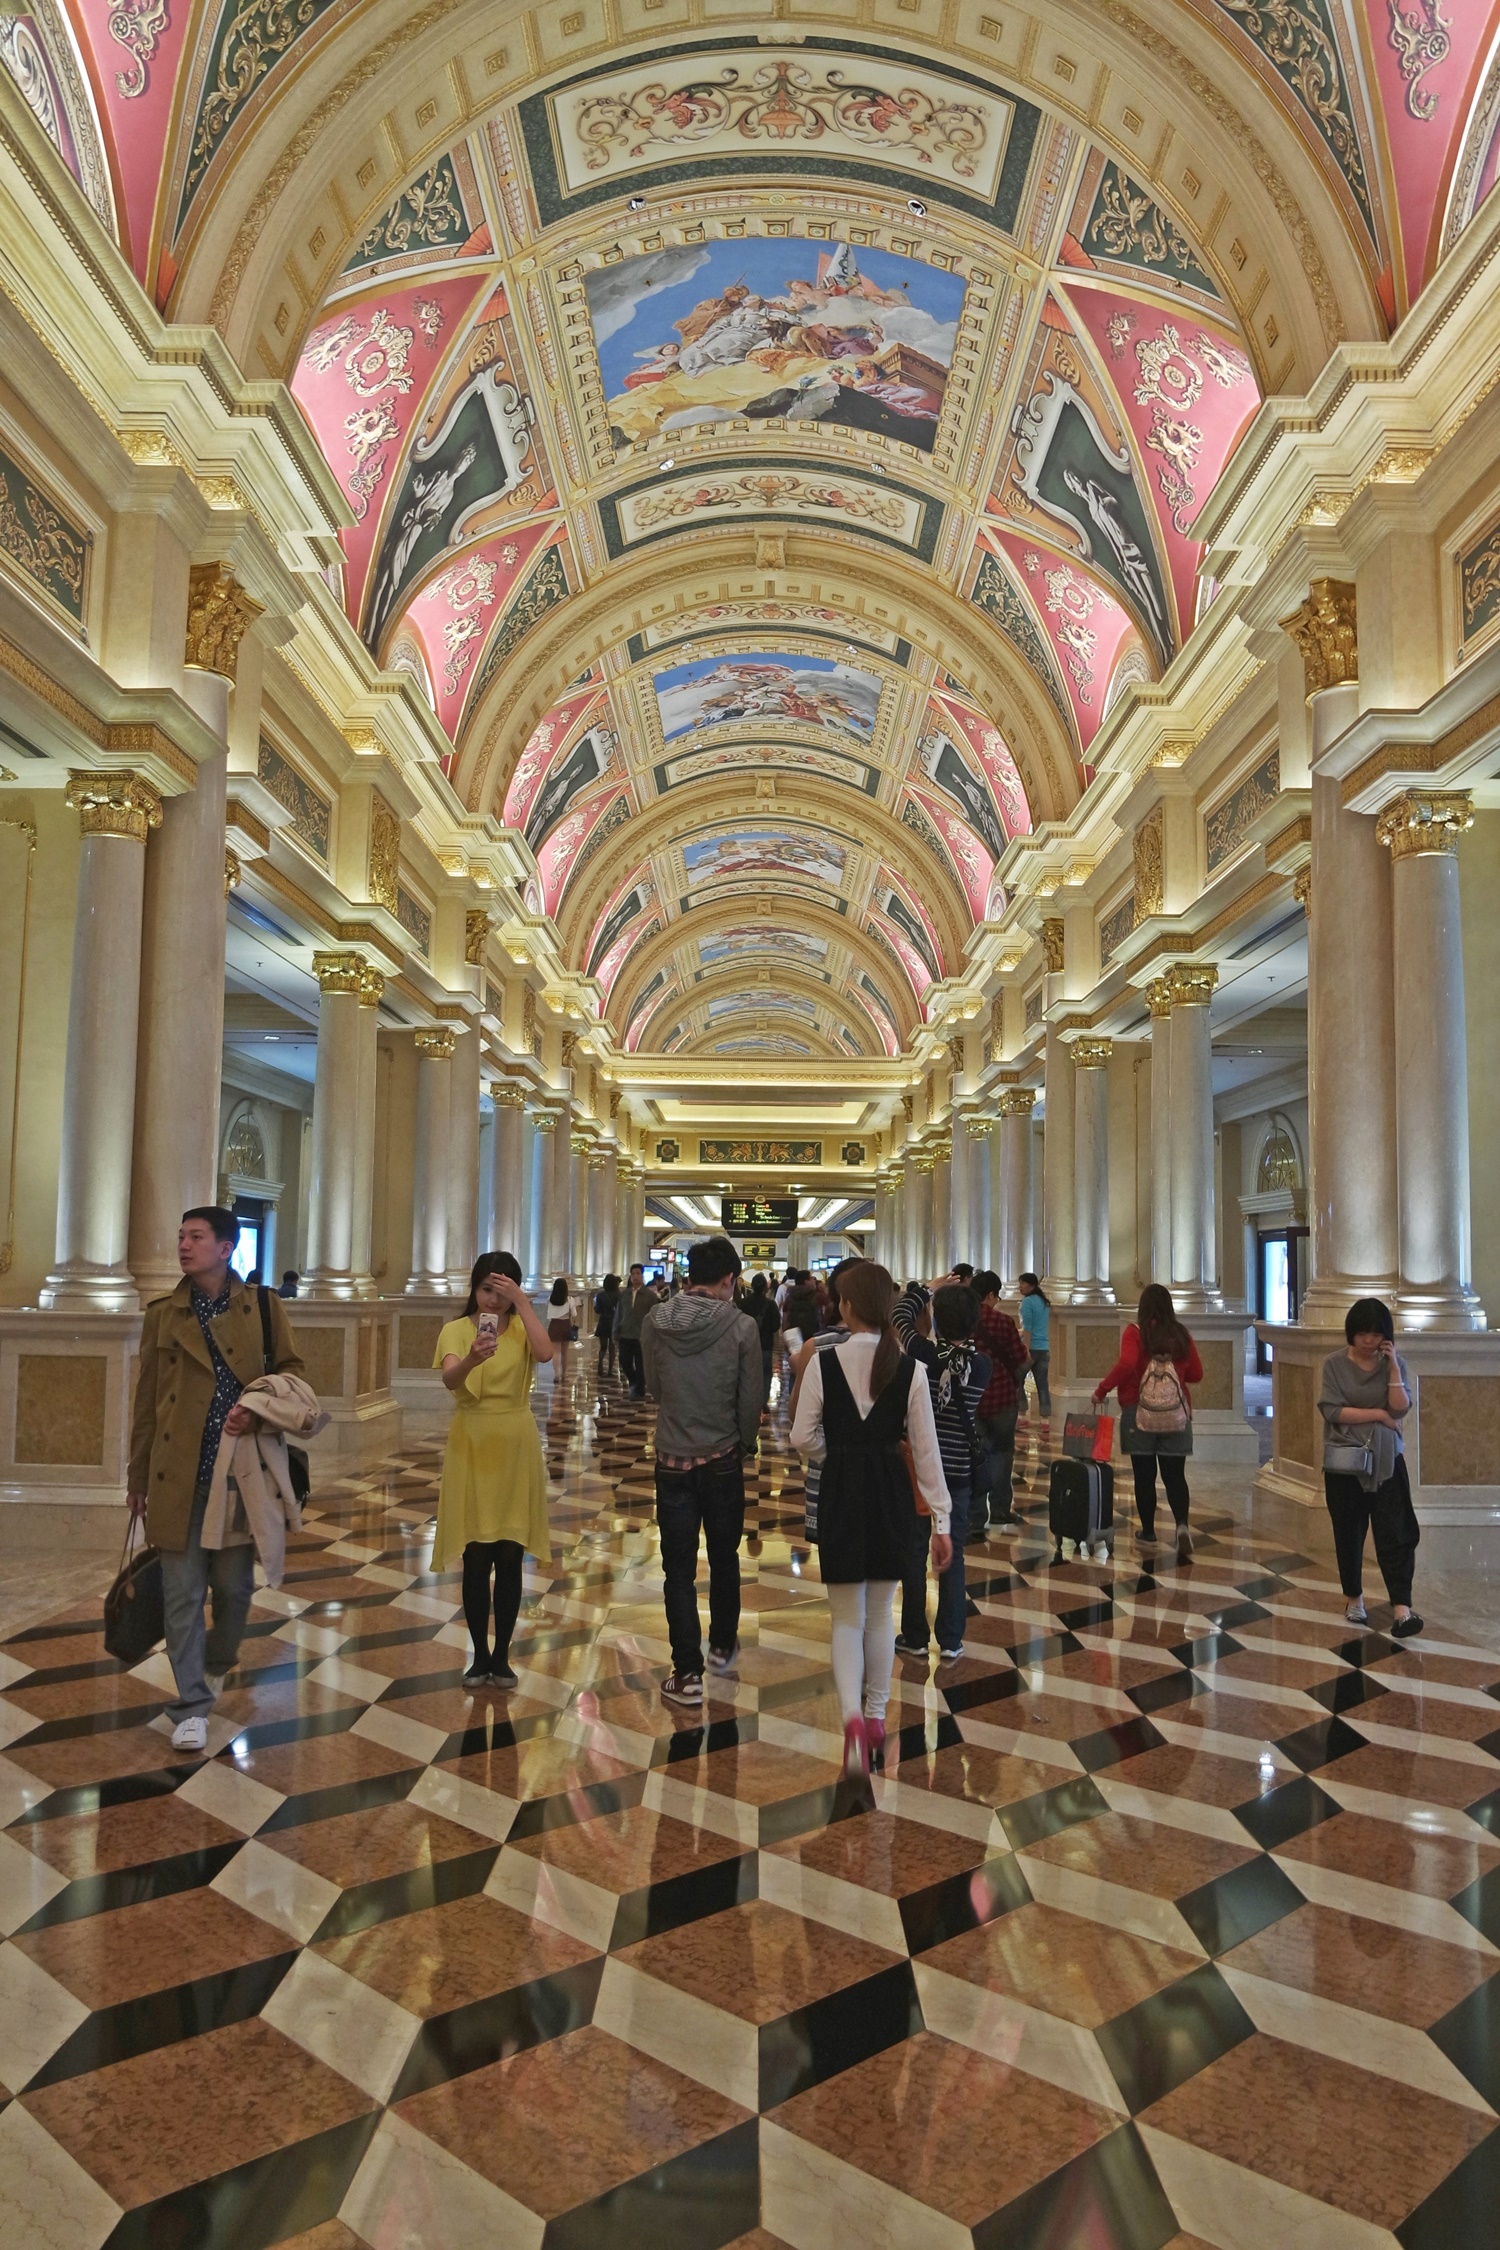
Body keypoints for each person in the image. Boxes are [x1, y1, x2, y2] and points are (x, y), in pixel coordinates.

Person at [127, 1206, 305, 1752]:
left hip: (238, 1472)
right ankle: (191, 1702)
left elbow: (293, 1374)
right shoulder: (163, 1314)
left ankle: (218, 1661)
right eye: (181, 1235)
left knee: (233, 1587)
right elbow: (147, 1404)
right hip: (177, 1471)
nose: (184, 1245)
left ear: (226, 1248)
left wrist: (255, 1410)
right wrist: (138, 1478)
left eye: (196, 1237)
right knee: (181, 1594)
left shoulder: (264, 1309)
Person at [791, 1261, 951, 1774]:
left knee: (845, 1617)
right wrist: (942, 1523)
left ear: (848, 1306)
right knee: (881, 1613)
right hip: (890, 1493)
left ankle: (852, 1719)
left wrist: (831, 1454)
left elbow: (801, 1437)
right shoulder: (911, 1369)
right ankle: (878, 1715)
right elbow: (927, 1454)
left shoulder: (823, 1362)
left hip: (841, 1487)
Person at [642, 1235, 763, 1706]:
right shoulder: (742, 1326)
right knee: (725, 1556)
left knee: (677, 1569)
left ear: (689, 1275)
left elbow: (653, 1384)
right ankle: (721, 1648)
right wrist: (744, 1441)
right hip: (721, 1459)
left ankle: (686, 1673)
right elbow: (750, 1397)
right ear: (730, 1279)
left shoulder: (656, 1320)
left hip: (671, 1457)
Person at [435, 1252, 556, 1687]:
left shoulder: (524, 1327)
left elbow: (545, 1356)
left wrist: (522, 1304)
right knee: (475, 1554)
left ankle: (502, 1654)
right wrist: (471, 1359)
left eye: (501, 1291)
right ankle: (479, 1655)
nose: (492, 1300)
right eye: (487, 1289)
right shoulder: (456, 1329)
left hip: (515, 1442)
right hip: (471, 1440)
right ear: (474, 1288)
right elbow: (451, 1380)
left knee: (509, 1552)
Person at [893, 1279, 990, 1659]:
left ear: (935, 1318)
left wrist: (924, 1290)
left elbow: (900, 1316)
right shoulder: (981, 1366)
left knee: (915, 1550)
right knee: (955, 1552)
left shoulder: (922, 1356)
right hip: (960, 1472)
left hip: (918, 1468)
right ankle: (951, 1639)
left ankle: (915, 1636)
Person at [1319, 1298, 1422, 1636]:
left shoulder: (1396, 1364)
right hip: (1346, 1464)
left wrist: (1392, 1367)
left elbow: (1400, 1408)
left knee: (1396, 1533)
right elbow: (1333, 1411)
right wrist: (1378, 1415)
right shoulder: (1334, 1364)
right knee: (1349, 1532)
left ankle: (1402, 1609)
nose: (1368, 1341)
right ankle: (1354, 1599)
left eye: (1376, 1334)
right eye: (1362, 1333)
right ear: (1352, 1333)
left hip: (1387, 1462)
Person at [1093, 1283, 1203, 1559]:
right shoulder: (1180, 1334)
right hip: (1176, 1414)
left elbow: (1128, 1362)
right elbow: (1197, 1374)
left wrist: (1103, 1388)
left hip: (1137, 1411)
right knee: (1175, 1475)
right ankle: (1181, 1526)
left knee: (1144, 1476)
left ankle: (1149, 1531)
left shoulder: (1136, 1333)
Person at [971, 1271, 1031, 1537]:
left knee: (975, 1456)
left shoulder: (962, 1320)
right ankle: (999, 1509)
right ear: (991, 1295)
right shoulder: (1004, 1322)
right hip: (1002, 1398)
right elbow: (1022, 1357)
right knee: (1002, 1453)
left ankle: (975, 1515)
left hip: (971, 1399)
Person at [1017, 1273, 1051, 1420]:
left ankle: (1022, 1414)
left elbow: (1028, 1328)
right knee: (1043, 1385)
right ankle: (1045, 1420)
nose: (1020, 1286)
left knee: (1017, 1379)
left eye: (1023, 1283)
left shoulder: (1027, 1302)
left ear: (1031, 1285)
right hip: (1044, 1347)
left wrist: (1025, 1348)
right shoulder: (1044, 1302)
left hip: (1031, 1347)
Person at [746, 1271, 781, 1406]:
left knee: (748, 1373)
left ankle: (749, 1400)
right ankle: (763, 1401)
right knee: (766, 1374)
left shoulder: (743, 1303)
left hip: (747, 1344)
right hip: (765, 1344)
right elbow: (776, 1325)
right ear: (765, 1288)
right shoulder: (770, 1304)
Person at [616, 1262, 650, 1397]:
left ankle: (639, 1389)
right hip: (626, 1334)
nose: (635, 1276)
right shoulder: (624, 1295)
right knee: (624, 1361)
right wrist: (616, 1330)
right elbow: (619, 1314)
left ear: (642, 1276)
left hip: (642, 1335)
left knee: (641, 1364)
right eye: (633, 1274)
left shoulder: (650, 1296)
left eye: (638, 1274)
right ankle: (634, 1381)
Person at [547, 1275, 575, 1383]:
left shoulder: (550, 1299)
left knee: (556, 1352)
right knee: (564, 1353)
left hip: (554, 1325)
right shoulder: (570, 1300)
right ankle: (564, 1374)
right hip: (565, 1325)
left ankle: (556, 1374)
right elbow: (574, 1314)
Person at [594, 1273, 621, 1377]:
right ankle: (610, 1370)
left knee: (603, 1347)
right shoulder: (619, 1295)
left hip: (603, 1322)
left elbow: (597, 1310)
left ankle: (600, 1363)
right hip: (614, 1322)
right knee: (612, 1347)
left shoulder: (601, 1295)